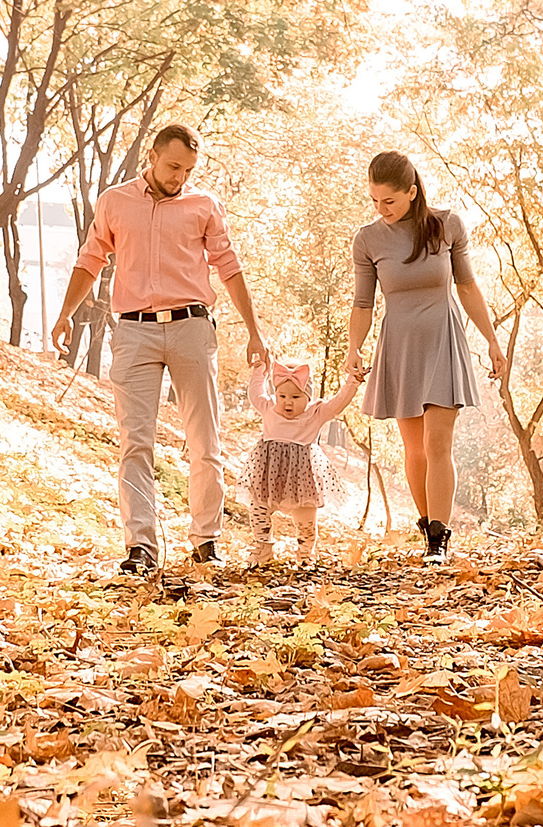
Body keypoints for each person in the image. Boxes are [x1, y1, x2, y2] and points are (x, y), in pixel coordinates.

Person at [51, 124, 272, 576]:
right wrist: (65, 313)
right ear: (152, 155)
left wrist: (254, 330)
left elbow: (228, 266)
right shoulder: (115, 202)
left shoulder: (203, 206)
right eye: (173, 166)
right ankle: (141, 547)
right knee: (135, 442)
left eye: (188, 169)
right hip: (134, 332)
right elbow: (91, 258)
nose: (179, 177)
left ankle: (206, 540)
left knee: (204, 441)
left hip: (191, 328)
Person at [346, 150, 505, 562]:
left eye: (389, 201)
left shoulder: (447, 226)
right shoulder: (367, 240)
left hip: (442, 339)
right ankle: (427, 527)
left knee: (438, 443)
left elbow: (468, 287)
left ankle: (439, 539)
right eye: (375, 201)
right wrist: (353, 348)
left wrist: (491, 340)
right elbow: (363, 303)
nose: (381, 209)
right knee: (413, 449)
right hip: (400, 346)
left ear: (412, 193)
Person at [244, 360, 361, 564]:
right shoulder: (269, 408)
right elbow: (255, 394)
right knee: (258, 507)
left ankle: (306, 553)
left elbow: (339, 402)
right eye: (282, 396)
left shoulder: (315, 413)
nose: (288, 402)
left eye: (296, 397)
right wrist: (259, 371)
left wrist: (353, 381)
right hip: (268, 474)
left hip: (301, 477)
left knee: (306, 517)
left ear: (308, 397)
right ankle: (262, 547)